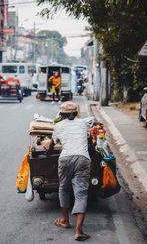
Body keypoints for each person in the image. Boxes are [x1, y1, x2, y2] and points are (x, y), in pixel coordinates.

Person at [45, 101, 91, 241]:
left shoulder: (58, 126)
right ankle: (78, 231)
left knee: (63, 188)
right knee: (81, 193)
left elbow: (52, 144)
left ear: (61, 115)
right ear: (76, 113)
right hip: (83, 159)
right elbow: (88, 139)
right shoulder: (84, 123)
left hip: (64, 159)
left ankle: (65, 221)